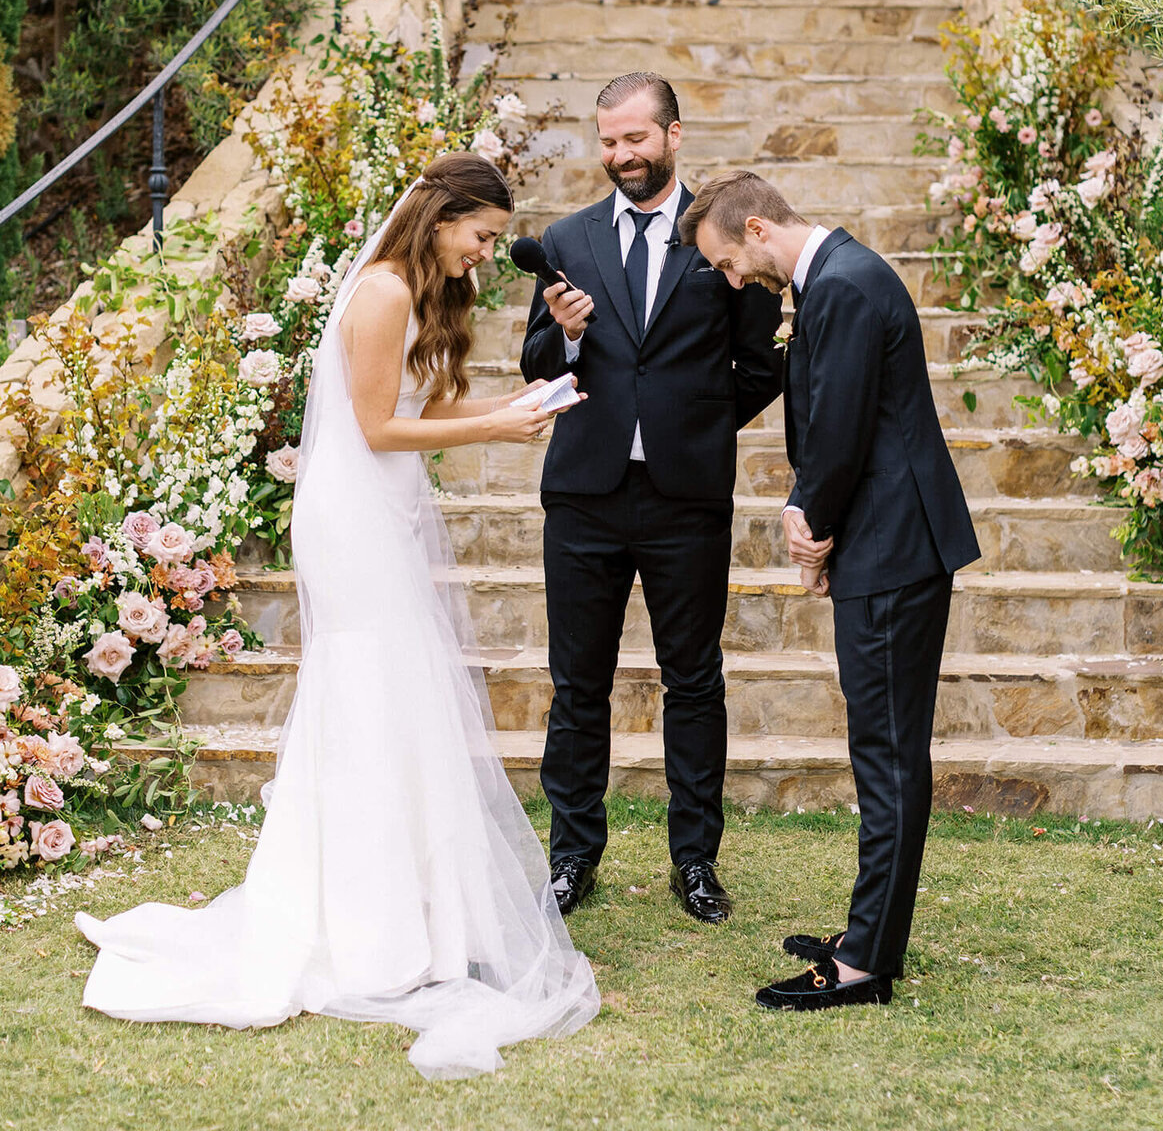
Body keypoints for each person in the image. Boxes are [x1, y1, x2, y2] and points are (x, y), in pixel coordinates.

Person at [75, 152, 600, 1079]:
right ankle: (365, 924)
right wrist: (490, 430)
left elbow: (427, 402)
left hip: (382, 506)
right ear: (441, 218)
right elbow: (375, 427)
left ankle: (414, 916)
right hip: (350, 516)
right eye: (479, 237)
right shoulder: (383, 292)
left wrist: (518, 402)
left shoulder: (426, 293)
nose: (483, 257)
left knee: (396, 697)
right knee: (369, 691)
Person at [680, 170, 980, 1013]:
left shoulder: (844, 288)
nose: (732, 282)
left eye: (729, 265)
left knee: (886, 758)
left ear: (757, 232)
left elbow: (840, 431)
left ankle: (864, 965)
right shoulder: (839, 277)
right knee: (882, 751)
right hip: (888, 542)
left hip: (891, 546)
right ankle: (867, 935)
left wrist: (807, 524)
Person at [519, 75, 784, 924]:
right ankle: (572, 858)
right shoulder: (567, 238)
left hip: (686, 499)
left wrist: (701, 427)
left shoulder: (720, 235)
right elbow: (536, 368)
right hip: (584, 499)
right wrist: (563, 334)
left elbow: (761, 365)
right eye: (608, 142)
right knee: (577, 686)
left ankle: (696, 863)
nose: (621, 156)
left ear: (674, 134)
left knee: (695, 683)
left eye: (636, 139)